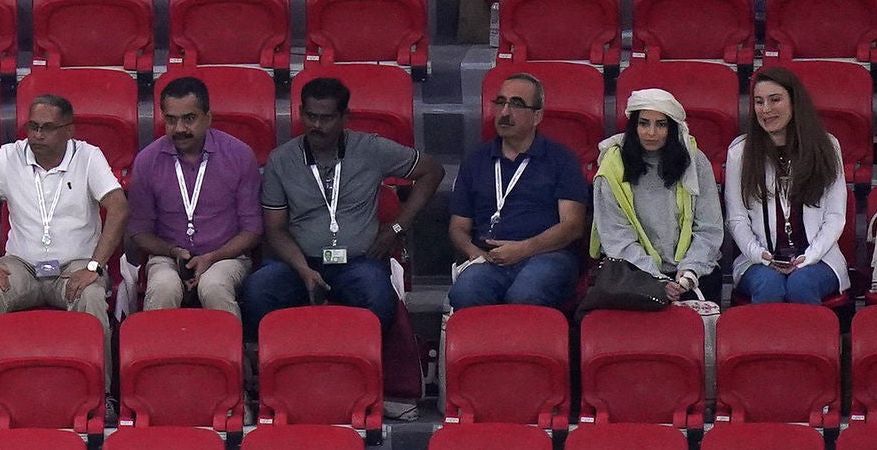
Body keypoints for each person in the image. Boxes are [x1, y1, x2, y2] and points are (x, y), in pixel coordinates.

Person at [250, 75, 434, 337]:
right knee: (258, 291)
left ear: (345, 117)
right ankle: (281, 363)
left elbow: (432, 171)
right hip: (299, 262)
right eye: (311, 116)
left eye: (326, 118)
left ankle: (361, 364)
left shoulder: (371, 149)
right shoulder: (281, 160)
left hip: (357, 261)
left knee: (380, 298)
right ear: (301, 112)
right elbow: (275, 229)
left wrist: (395, 228)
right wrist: (304, 270)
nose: (316, 125)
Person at [0, 93, 131, 331]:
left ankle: (102, 370)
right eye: (33, 126)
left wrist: (94, 266)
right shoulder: (10, 156)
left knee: (91, 295)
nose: (37, 135)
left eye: (47, 128)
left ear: (69, 131)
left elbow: (119, 206)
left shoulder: (88, 156)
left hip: (74, 267)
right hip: (22, 267)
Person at [114, 75, 267, 318]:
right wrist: (174, 252)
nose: (180, 129)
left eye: (189, 119)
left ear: (208, 117)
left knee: (214, 286)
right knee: (163, 287)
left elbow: (252, 229)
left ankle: (230, 354)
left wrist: (214, 257)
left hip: (226, 255)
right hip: (168, 255)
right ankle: (155, 355)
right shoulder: (147, 161)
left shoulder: (239, 155)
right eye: (171, 120)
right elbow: (139, 231)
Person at [448, 70, 593, 311]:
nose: (505, 112)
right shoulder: (476, 160)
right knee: (465, 292)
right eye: (501, 102)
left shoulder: (561, 159)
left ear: (537, 116)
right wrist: (473, 253)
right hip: (489, 258)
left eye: (516, 105)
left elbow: (573, 226)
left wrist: (523, 249)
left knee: (526, 293)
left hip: (547, 254)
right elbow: (458, 226)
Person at [584, 86, 724, 310]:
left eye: (661, 125)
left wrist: (688, 273)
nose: (651, 133)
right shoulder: (611, 166)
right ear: (633, 126)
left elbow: (709, 228)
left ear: (672, 128)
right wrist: (657, 279)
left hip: (690, 271)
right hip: (633, 271)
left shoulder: (695, 161)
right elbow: (616, 238)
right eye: (644, 123)